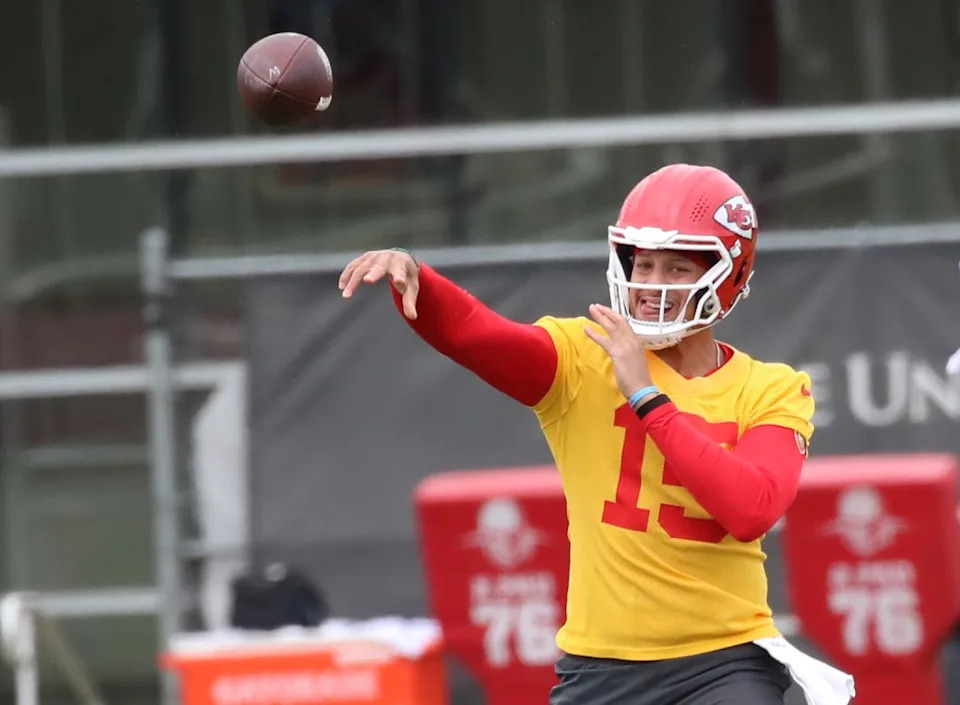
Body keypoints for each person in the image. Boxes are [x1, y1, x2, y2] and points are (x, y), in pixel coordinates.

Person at [338, 163, 854, 705]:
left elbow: (751, 510)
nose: (652, 285)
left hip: (722, 664)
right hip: (602, 670)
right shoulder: (583, 356)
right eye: (644, 263)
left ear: (731, 274)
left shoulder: (770, 388)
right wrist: (418, 279)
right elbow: (479, 335)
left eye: (676, 268)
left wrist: (648, 398)